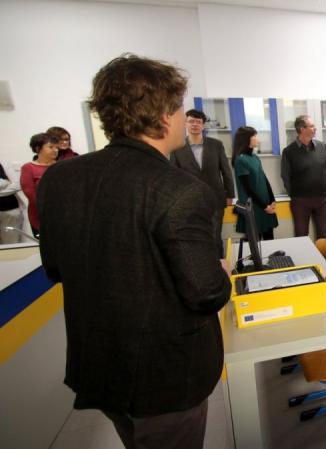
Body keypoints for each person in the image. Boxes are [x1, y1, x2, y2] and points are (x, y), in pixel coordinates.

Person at [37, 54, 231, 449]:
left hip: (101, 367)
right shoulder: (179, 189)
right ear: (164, 117)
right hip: (167, 378)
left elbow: (55, 267)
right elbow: (207, 292)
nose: (184, 118)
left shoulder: (59, 179)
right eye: (180, 108)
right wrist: (221, 273)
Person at [170, 109, 236, 255]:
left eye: (198, 122)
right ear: (185, 124)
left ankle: (219, 265)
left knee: (215, 236)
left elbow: (226, 171)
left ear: (203, 125)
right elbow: (173, 176)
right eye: (191, 121)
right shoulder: (177, 147)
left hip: (215, 199)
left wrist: (230, 194)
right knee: (195, 237)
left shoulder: (216, 145)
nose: (194, 124)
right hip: (189, 201)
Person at [280, 115, 326, 238]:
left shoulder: (321, 146)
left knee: (324, 235)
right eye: (312, 126)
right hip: (300, 201)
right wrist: (295, 195)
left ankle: (324, 253)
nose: (315, 128)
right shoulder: (289, 151)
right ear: (302, 129)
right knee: (301, 236)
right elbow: (285, 176)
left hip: (322, 199)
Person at [232, 126, 278, 240]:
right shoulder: (240, 160)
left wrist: (272, 200)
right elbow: (248, 189)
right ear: (246, 139)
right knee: (254, 243)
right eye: (254, 136)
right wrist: (264, 206)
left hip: (266, 205)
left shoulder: (255, 157)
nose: (257, 139)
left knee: (269, 240)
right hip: (255, 207)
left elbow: (264, 179)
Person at [21, 132, 59, 238]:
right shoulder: (28, 168)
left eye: (56, 147)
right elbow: (30, 194)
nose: (55, 150)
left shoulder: (61, 166)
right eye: (51, 147)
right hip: (40, 215)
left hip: (63, 213)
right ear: (38, 149)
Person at [0, 160, 25, 243]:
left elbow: (18, 184)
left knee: (11, 243)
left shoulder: (4, 163)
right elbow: (4, 183)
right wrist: (5, 182)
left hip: (10, 210)